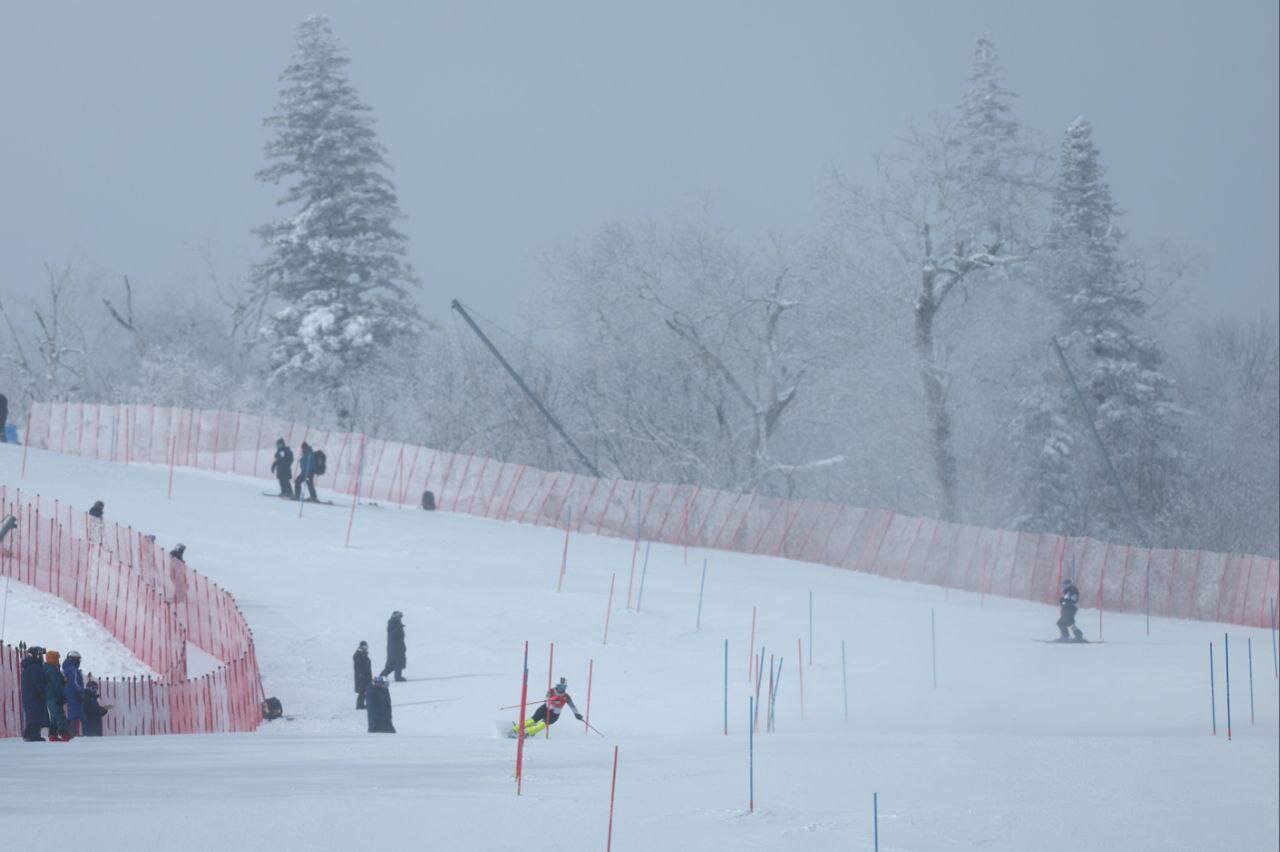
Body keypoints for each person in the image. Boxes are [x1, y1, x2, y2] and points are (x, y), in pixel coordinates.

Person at [512, 677, 582, 738]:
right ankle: (516, 729)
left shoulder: (566, 696)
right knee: (532, 720)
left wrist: (577, 714)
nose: (562, 689)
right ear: (557, 686)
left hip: (554, 715)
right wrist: (552, 699)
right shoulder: (551, 691)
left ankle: (526, 732)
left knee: (542, 725)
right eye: (560, 687)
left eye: (564, 687)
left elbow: (572, 706)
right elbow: (546, 698)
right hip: (545, 709)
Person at [20, 645, 49, 741]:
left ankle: (28, 735)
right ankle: (33, 736)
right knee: (36, 716)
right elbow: (37, 682)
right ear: (36, 655)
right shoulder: (35, 667)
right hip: (34, 696)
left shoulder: (29, 666)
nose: (41, 657)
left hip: (29, 696)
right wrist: (42, 692)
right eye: (40, 655)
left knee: (32, 716)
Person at [43, 649, 71, 741]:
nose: (58, 660)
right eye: (57, 659)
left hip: (50, 696)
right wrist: (61, 696)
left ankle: (53, 735)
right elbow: (57, 685)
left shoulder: (49, 669)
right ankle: (64, 734)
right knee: (59, 715)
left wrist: (62, 680)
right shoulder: (52, 670)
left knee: (54, 716)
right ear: (52, 659)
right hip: (54, 696)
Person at [62, 650, 85, 736]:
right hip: (74, 694)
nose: (79, 661)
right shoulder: (72, 669)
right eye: (78, 659)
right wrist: (81, 693)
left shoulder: (67, 668)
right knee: (75, 714)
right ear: (74, 659)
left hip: (70, 693)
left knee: (73, 713)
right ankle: (73, 733)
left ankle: (72, 732)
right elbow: (74, 682)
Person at [380, 611, 407, 681]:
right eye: (399, 616)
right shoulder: (392, 623)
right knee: (396, 663)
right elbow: (393, 635)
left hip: (397, 647)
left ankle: (382, 676)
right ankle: (397, 677)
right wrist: (399, 627)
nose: (400, 618)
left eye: (400, 616)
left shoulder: (396, 623)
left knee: (394, 663)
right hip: (395, 648)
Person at [353, 641, 372, 709]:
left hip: (366, 676)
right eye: (364, 647)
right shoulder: (359, 655)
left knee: (365, 691)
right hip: (362, 677)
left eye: (366, 647)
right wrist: (361, 675)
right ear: (361, 647)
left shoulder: (363, 654)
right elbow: (358, 667)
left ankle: (365, 704)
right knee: (362, 691)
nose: (365, 648)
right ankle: (360, 705)